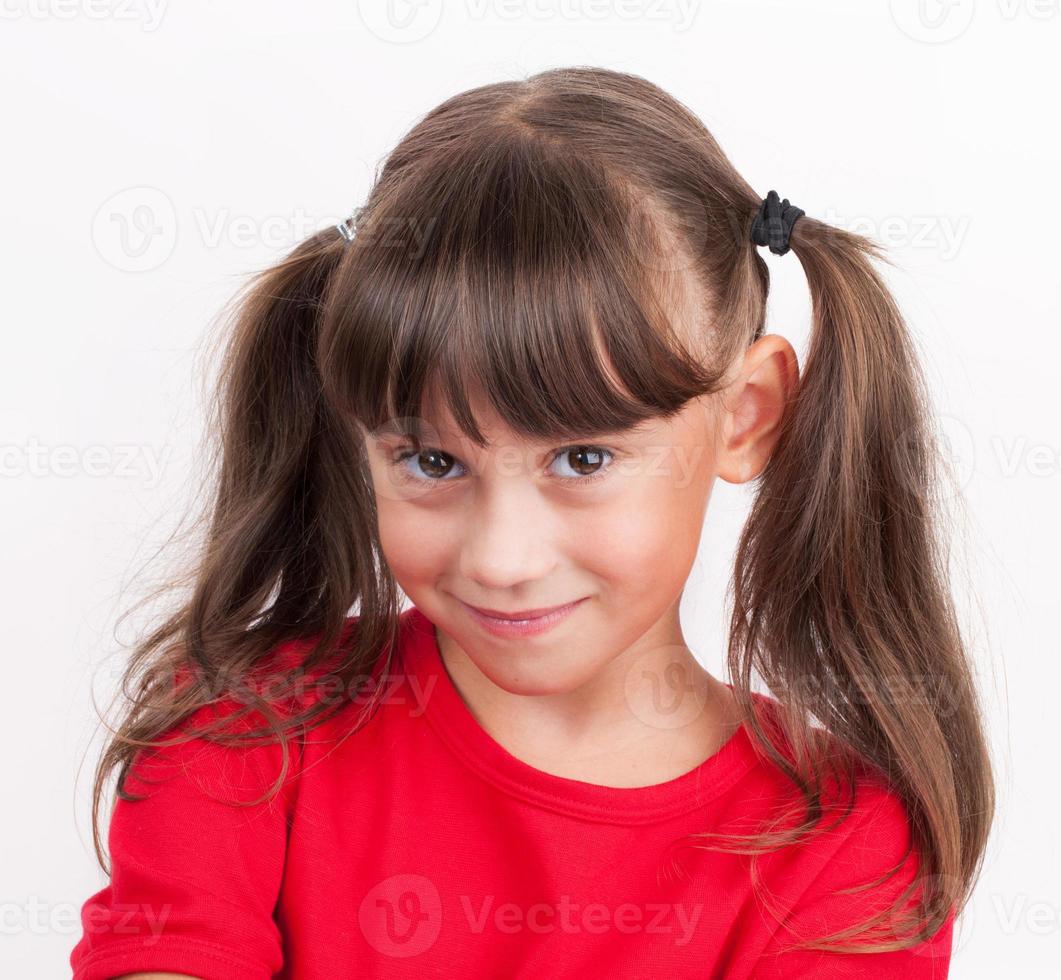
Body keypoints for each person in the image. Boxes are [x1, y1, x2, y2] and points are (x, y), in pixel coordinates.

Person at [70, 66, 993, 979]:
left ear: (745, 415)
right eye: (432, 461)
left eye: (581, 459)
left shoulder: (844, 854)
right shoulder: (246, 729)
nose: (501, 560)